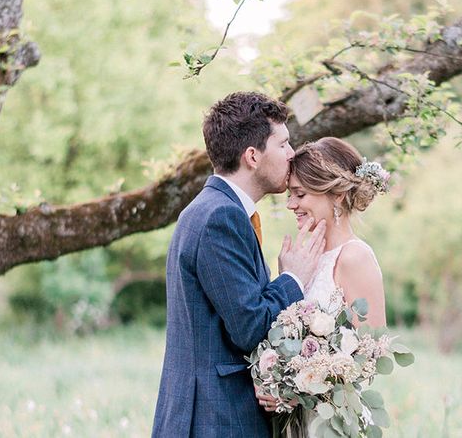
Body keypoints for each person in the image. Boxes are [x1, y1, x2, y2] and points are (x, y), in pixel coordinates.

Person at [152, 92, 326, 438]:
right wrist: (292, 278)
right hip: (215, 421)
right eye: (283, 144)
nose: (292, 154)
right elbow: (250, 327)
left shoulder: (208, 209)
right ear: (252, 156)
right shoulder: (221, 216)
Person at [255, 136, 388, 433]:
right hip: (292, 423)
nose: (291, 204)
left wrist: (301, 385)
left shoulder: (355, 257)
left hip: (332, 423)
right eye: (290, 194)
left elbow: (372, 354)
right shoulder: (303, 259)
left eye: (300, 195)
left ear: (337, 196)